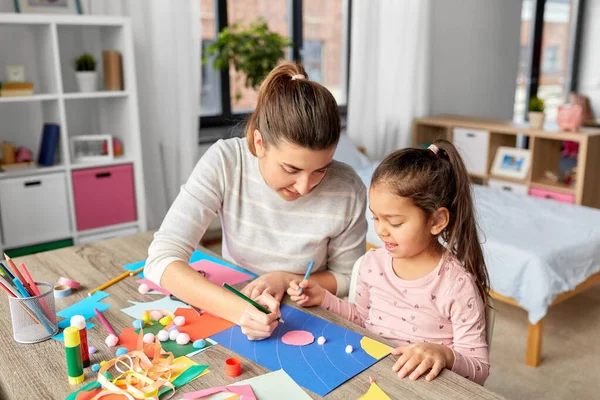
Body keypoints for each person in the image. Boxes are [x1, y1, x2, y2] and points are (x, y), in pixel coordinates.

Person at [144, 62, 367, 340]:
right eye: (291, 169)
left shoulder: (347, 188)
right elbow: (161, 260)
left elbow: (349, 278)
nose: (305, 187)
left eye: (321, 169)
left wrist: (285, 279)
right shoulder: (226, 161)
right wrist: (241, 310)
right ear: (259, 144)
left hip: (309, 314)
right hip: (233, 307)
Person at [288, 139, 491, 384]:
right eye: (376, 218)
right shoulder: (372, 264)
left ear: (437, 221)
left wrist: (445, 355)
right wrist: (323, 298)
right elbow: (362, 320)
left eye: (394, 222)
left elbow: (479, 370)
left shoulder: (456, 285)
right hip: (370, 374)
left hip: (422, 387)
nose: (382, 231)